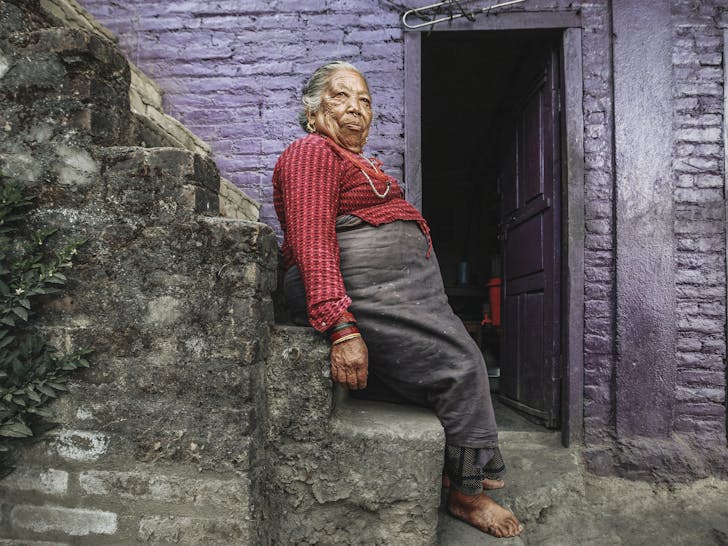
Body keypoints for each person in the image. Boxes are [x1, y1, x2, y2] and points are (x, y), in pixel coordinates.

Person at [273, 60, 522, 538]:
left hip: (392, 293)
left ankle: (461, 468)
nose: (355, 108)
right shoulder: (311, 151)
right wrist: (341, 326)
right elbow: (311, 239)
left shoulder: (355, 163)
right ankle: (467, 495)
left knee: (458, 360)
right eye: (340, 96)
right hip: (352, 289)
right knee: (461, 365)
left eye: (365, 101)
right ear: (312, 112)